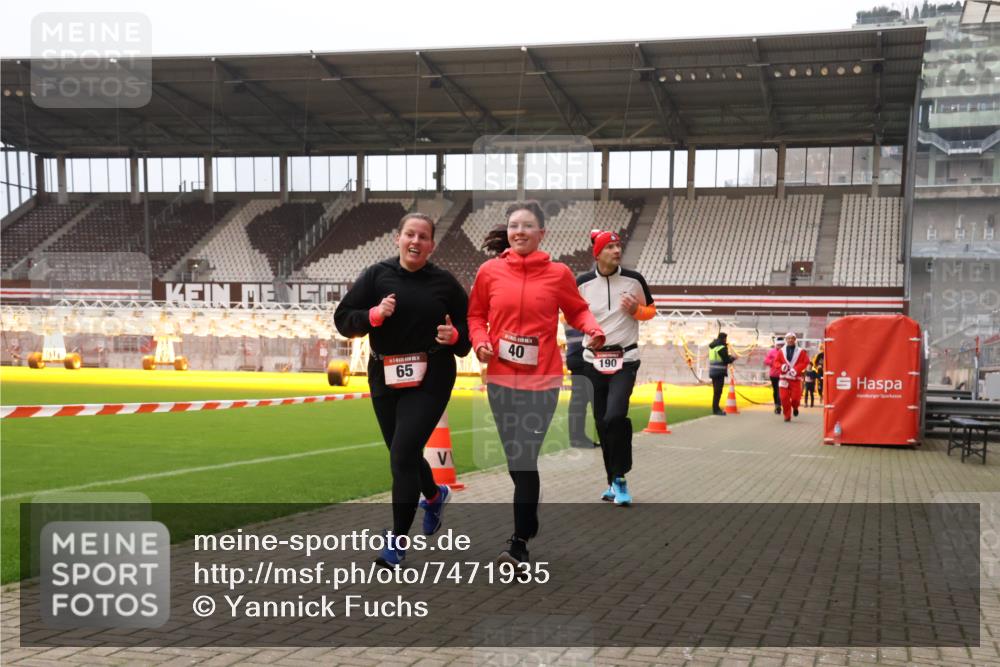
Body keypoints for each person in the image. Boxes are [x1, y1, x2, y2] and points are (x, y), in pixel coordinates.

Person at [468, 201, 604, 565]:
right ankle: (528, 518)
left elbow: (577, 309)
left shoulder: (558, 274)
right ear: (508, 231)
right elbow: (476, 314)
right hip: (500, 379)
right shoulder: (489, 272)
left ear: (542, 233)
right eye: (514, 225)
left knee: (525, 458)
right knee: (516, 460)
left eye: (528, 226)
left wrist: (592, 329)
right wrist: (480, 341)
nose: (520, 231)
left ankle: (519, 541)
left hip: (542, 381)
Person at [334, 213, 471, 568]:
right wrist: (373, 316)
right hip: (385, 375)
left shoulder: (444, 283)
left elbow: (467, 331)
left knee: (402, 453)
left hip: (432, 375)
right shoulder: (377, 275)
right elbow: (343, 318)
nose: (415, 241)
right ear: (398, 238)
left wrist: (455, 337)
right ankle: (434, 494)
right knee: (403, 453)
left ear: (432, 245)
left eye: (423, 237)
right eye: (410, 234)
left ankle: (395, 542)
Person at [577, 229, 655, 506]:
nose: (616, 250)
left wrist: (636, 310)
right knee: (601, 423)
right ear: (597, 253)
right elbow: (573, 315)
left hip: (625, 359)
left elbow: (651, 311)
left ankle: (620, 478)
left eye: (618, 245)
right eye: (609, 246)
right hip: (592, 361)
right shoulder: (582, 283)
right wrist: (588, 332)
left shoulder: (634, 280)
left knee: (615, 416)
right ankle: (612, 481)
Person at [564, 324, 598, 449]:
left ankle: (577, 437)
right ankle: (605, 436)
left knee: (578, 400)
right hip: (585, 354)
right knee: (595, 397)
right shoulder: (583, 308)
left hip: (575, 355)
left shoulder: (569, 309)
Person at [770, 331, 810, 422]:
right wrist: (781, 366)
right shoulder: (781, 351)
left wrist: (796, 369)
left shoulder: (801, 351)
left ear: (795, 340)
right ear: (786, 340)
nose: (790, 340)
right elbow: (776, 362)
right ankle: (787, 416)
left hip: (795, 379)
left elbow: (805, 362)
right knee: (784, 398)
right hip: (783, 378)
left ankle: (795, 407)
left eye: (792, 338)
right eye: (788, 338)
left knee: (796, 398)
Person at [708, 332, 738, 415]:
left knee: (716, 391)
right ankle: (716, 409)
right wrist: (733, 358)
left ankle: (716, 408)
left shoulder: (712, 346)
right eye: (725, 339)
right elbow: (726, 360)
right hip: (719, 372)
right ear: (724, 338)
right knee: (718, 391)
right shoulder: (721, 347)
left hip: (713, 371)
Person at [763, 337, 784, 415]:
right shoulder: (772, 352)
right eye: (779, 345)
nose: (780, 346)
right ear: (776, 345)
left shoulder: (785, 352)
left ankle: (779, 405)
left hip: (782, 375)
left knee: (780, 390)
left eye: (782, 345)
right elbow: (766, 361)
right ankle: (776, 405)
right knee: (775, 391)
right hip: (773, 375)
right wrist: (772, 362)